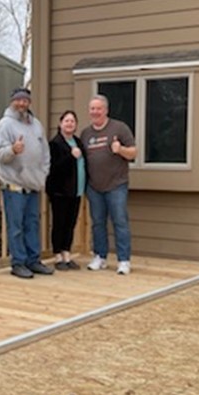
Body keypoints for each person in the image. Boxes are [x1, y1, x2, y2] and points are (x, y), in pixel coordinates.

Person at [0, 87, 54, 278]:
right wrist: (13, 149)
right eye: (18, 100)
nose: (22, 103)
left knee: (33, 225)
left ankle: (33, 261)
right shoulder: (4, 125)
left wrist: (43, 175)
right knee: (16, 227)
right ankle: (18, 263)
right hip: (14, 186)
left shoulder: (36, 125)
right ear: (12, 101)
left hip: (33, 186)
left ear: (29, 102)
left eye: (25, 100)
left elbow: (45, 153)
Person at [80, 94, 137, 275]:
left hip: (116, 185)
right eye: (92, 109)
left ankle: (123, 260)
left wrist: (120, 149)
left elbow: (133, 153)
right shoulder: (86, 134)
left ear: (106, 110)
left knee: (120, 221)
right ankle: (100, 257)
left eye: (98, 108)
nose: (95, 112)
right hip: (94, 186)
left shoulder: (119, 128)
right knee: (98, 223)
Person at [46, 110, 86, 270]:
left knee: (71, 223)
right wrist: (71, 156)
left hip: (76, 191)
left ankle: (67, 254)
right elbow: (54, 168)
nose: (70, 124)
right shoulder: (55, 143)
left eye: (72, 121)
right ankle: (57, 256)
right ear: (60, 124)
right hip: (60, 191)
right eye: (66, 121)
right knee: (59, 223)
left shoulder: (78, 142)